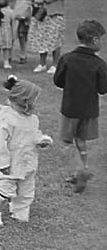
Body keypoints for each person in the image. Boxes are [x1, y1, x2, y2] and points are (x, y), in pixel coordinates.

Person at [0, 75, 53, 227]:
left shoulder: (32, 119)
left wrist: (40, 140)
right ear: (23, 101)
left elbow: (33, 133)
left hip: (27, 159)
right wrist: (3, 163)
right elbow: (0, 144)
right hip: (11, 160)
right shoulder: (6, 119)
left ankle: (20, 211)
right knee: (5, 186)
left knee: (26, 187)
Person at [53, 20, 107, 190]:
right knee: (81, 140)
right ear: (95, 40)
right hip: (89, 110)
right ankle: (84, 168)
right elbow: (103, 89)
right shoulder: (100, 64)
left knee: (68, 141)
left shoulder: (67, 59)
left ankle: (75, 173)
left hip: (70, 108)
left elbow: (58, 81)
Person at [28, 0, 69, 74]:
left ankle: (55, 64)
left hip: (54, 11)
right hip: (41, 11)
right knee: (41, 37)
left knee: (55, 37)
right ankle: (42, 63)